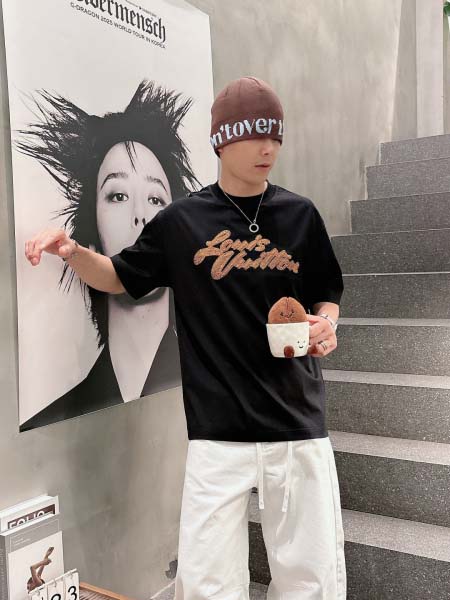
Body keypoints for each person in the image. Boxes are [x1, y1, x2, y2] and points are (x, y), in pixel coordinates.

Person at [25, 77, 346, 599]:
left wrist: (327, 324)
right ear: (222, 140)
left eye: (275, 135)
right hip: (217, 431)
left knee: (312, 580)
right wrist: (73, 252)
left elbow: (326, 291)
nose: (268, 147)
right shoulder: (182, 221)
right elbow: (120, 276)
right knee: (207, 583)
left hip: (297, 422)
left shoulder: (300, 215)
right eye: (255, 134)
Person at [17, 80, 199, 431]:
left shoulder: (205, 376)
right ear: (92, 238)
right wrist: (70, 251)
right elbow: (117, 274)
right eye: (117, 196)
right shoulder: (55, 418)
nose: (140, 216)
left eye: (155, 199)